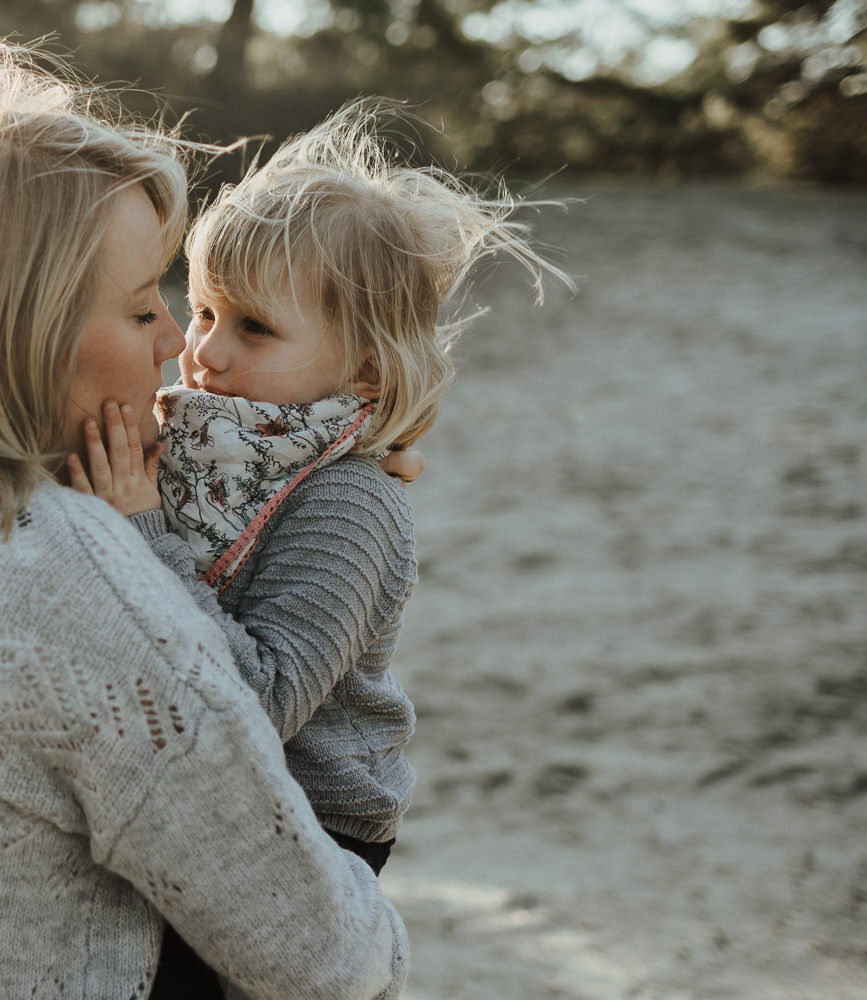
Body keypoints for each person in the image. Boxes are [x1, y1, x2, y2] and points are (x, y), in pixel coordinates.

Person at [0, 40, 409, 1000]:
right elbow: (320, 954)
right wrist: (389, 943)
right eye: (139, 309)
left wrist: (330, 472)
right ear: (26, 334)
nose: (178, 344)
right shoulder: (66, 573)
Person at [70, 100, 568, 995]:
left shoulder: (351, 505)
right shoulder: (213, 436)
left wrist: (143, 529)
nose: (203, 352)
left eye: (253, 328)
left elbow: (258, 702)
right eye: (207, 308)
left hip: (311, 817)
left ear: (366, 370)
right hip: (208, 782)